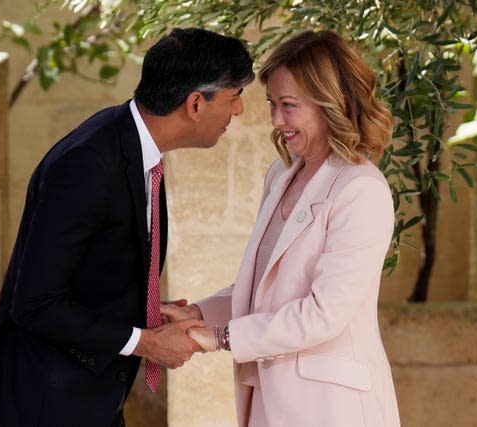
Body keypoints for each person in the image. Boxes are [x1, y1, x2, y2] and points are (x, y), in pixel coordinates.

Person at [0, 27, 255, 427]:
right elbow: (35, 303)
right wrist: (147, 343)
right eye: (234, 97)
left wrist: (145, 307)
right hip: (48, 400)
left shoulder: (132, 145)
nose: (239, 110)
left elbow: (90, 268)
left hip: (90, 394)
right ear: (195, 104)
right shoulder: (87, 163)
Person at [162, 30, 401, 427]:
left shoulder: (361, 190)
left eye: (288, 105)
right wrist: (195, 313)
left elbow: (325, 313)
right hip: (270, 402)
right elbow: (262, 290)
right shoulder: (281, 175)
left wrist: (221, 338)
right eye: (272, 104)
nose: (276, 120)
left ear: (331, 103)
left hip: (333, 408)